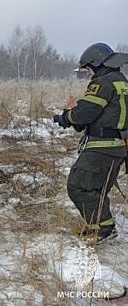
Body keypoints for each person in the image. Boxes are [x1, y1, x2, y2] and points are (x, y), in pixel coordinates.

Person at [54, 43, 128, 244]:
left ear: (97, 63)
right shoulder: (123, 83)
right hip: (118, 147)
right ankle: (97, 226)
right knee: (97, 189)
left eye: (88, 69)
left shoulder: (103, 83)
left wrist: (66, 117)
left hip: (101, 147)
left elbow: (85, 112)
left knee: (78, 186)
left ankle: (105, 228)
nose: (88, 74)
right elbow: (106, 114)